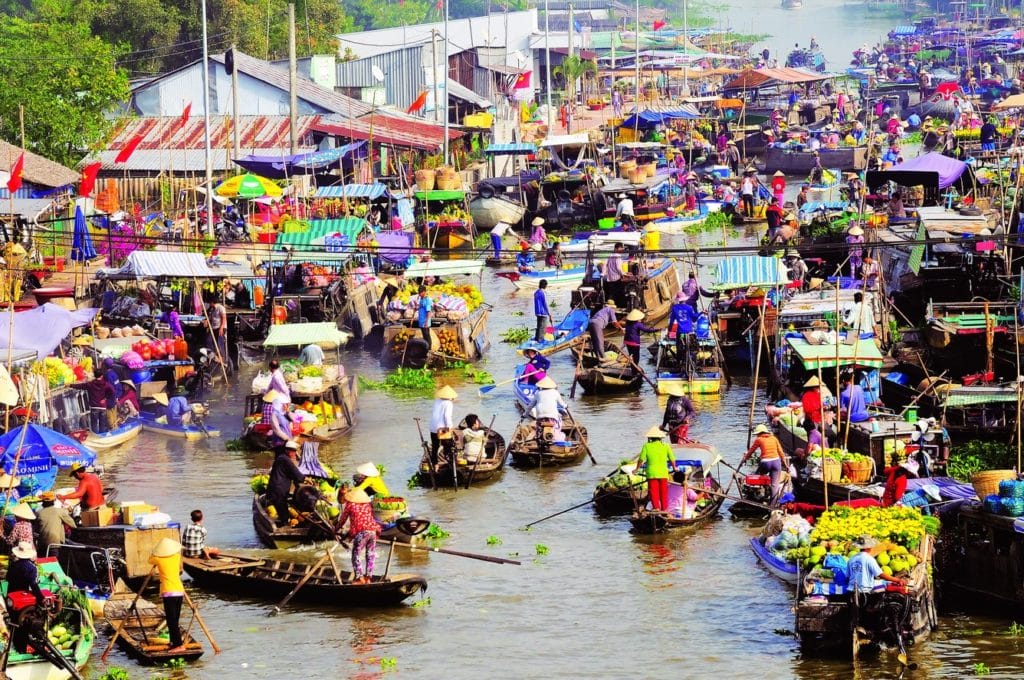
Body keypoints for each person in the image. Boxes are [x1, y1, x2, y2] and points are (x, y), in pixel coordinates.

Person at [149, 538, 188, 653]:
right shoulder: (176, 557)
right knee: (175, 619)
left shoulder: (158, 559)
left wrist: (156, 552)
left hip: (169, 592)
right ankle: (173, 642)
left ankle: (178, 645)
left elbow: (149, 560)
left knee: (171, 621)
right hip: (179, 591)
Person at [335, 488, 381, 585]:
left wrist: (335, 529)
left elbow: (343, 520)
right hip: (373, 531)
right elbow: (365, 518)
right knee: (370, 554)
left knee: (355, 554)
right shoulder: (367, 505)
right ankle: (368, 578)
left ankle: (359, 578)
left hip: (362, 532)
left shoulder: (350, 505)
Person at [741, 424, 790, 505]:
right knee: (774, 485)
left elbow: (751, 451)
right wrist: (785, 464)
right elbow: (781, 452)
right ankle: (772, 505)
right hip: (776, 462)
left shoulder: (759, 439)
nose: (757, 435)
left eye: (757, 434)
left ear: (760, 433)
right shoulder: (774, 438)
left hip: (765, 462)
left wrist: (745, 459)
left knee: (756, 477)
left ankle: (756, 496)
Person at [635, 426, 678, 512]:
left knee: (654, 492)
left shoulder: (647, 446)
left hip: (652, 473)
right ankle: (664, 509)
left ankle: (656, 508)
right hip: (663, 473)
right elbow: (672, 458)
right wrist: (674, 467)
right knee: (663, 492)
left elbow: (641, 459)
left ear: (650, 438)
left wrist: (636, 469)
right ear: (660, 438)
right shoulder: (666, 446)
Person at [266, 440, 306, 526]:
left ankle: (285, 521)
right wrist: (304, 478)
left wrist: (300, 479)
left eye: (295, 451)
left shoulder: (281, 458)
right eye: (293, 451)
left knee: (282, 509)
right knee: (283, 512)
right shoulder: (285, 460)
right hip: (278, 491)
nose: (294, 453)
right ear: (287, 451)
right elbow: (295, 472)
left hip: (276, 489)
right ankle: (285, 524)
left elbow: (290, 473)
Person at [73, 369, 116, 433]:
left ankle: (95, 436)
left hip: (94, 407)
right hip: (102, 407)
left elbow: (80, 386)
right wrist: (105, 398)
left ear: (95, 376)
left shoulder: (90, 384)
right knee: (102, 424)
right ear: (101, 376)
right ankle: (102, 436)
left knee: (94, 424)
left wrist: (70, 385)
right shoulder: (106, 384)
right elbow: (112, 391)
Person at [668, 291, 698, 364]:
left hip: (680, 333)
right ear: (685, 299)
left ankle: (679, 362)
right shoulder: (689, 307)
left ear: (678, 300)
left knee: (679, 348)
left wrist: (669, 331)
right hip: (689, 332)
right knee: (692, 348)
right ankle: (692, 361)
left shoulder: (675, 308)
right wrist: (700, 313)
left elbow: (671, 322)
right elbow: (694, 319)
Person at [430, 385, 456, 465]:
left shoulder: (437, 401)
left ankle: (435, 464)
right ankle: (450, 462)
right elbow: (447, 416)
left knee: (435, 447)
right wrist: (450, 427)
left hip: (433, 428)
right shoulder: (448, 403)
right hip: (443, 429)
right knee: (448, 447)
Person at [206, 296, 229, 372]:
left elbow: (224, 318)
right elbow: (210, 318)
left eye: (210, 303)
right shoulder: (212, 309)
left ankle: (222, 360)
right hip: (214, 328)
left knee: (220, 344)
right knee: (209, 341)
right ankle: (214, 356)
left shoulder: (220, 308)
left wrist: (221, 328)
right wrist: (206, 321)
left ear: (212, 302)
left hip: (220, 328)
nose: (209, 304)